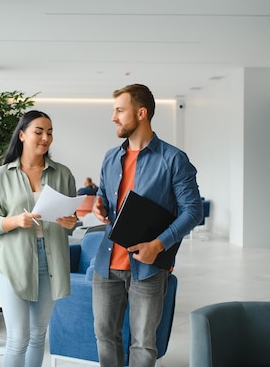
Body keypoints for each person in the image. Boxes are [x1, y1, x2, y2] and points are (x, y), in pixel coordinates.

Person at [91, 84, 203, 367]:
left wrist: (158, 245)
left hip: (149, 268)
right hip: (107, 265)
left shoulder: (174, 159)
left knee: (143, 343)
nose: (113, 117)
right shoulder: (110, 157)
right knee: (105, 335)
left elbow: (193, 211)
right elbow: (104, 196)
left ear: (141, 113)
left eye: (119, 110)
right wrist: (98, 205)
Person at [0, 110, 78, 367]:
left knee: (38, 335)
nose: (45, 137)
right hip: (13, 261)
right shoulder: (1, 176)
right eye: (39, 132)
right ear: (22, 135)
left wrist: (71, 222)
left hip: (51, 260)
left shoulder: (63, 174)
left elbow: (70, 217)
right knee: (18, 337)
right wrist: (16, 220)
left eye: (50, 132)